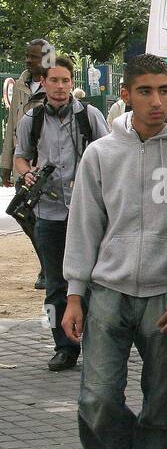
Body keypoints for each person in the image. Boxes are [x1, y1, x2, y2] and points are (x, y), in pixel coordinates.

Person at [61, 54, 167, 449]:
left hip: (166, 295)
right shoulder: (100, 154)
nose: (157, 101)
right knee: (96, 398)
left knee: (162, 401)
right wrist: (74, 294)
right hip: (108, 291)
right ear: (124, 94)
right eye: (145, 91)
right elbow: (84, 225)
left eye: (164, 90)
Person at [14, 54, 109, 371]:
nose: (59, 86)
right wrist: (27, 173)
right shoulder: (32, 120)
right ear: (43, 82)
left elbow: (109, 155)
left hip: (88, 214)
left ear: (72, 82)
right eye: (53, 80)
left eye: (65, 80)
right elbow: (21, 157)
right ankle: (63, 347)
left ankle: (97, 345)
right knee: (56, 285)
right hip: (49, 215)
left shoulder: (90, 116)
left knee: (92, 283)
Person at [2, 39, 50, 189]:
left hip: (47, 171)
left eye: (33, 57)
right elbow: (12, 125)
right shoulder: (20, 85)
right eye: (27, 56)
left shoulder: (56, 86)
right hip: (22, 170)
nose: (28, 60)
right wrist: (6, 164)